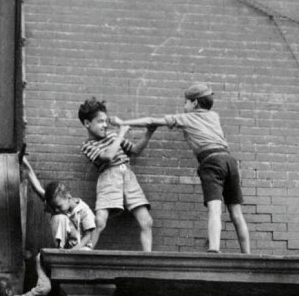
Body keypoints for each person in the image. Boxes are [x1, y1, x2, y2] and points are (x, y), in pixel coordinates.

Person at [112, 82, 250, 254]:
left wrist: (123, 122)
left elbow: (150, 120)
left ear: (195, 103)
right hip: (229, 161)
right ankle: (247, 255)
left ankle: (214, 249)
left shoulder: (186, 118)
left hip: (211, 162)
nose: (184, 106)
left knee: (215, 208)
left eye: (186, 102)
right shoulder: (214, 116)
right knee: (236, 213)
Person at [78, 97, 155, 251]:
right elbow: (108, 156)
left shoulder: (113, 136)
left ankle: (148, 259)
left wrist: (149, 133)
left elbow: (134, 150)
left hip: (128, 176)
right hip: (108, 178)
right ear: (87, 124)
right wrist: (121, 133)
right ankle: (85, 252)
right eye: (100, 121)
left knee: (147, 222)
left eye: (106, 121)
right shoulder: (87, 145)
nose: (105, 125)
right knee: (99, 222)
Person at [20, 153, 96, 250]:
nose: (55, 209)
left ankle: (62, 254)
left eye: (59, 206)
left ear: (68, 198)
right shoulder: (58, 203)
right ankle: (59, 250)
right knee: (39, 258)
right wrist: (24, 162)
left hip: (81, 248)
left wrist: (74, 251)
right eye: (54, 206)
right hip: (67, 249)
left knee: (60, 217)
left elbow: (88, 236)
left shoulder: (84, 210)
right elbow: (37, 188)